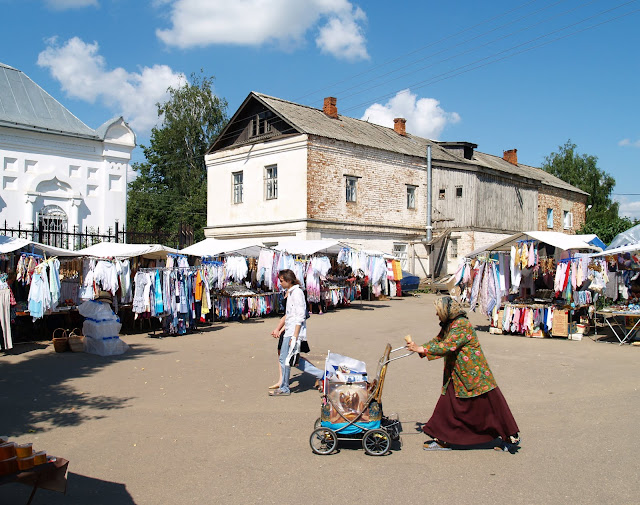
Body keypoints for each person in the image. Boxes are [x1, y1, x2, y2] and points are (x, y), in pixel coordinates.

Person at [406, 296, 520, 452]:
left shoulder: (461, 325)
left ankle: (509, 437)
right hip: (458, 374)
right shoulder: (450, 324)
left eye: (438, 312)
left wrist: (422, 350)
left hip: (474, 374)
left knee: (490, 406)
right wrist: (419, 347)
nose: (437, 315)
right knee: (449, 405)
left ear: (447, 311)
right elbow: (439, 340)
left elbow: (447, 346)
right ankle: (443, 439)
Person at [269, 269, 324, 397]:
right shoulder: (291, 292)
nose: (280, 283)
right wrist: (281, 329)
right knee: (291, 359)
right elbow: (289, 315)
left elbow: (300, 315)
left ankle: (285, 387)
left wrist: (295, 335)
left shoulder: (297, 293)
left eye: (282, 281)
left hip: (294, 332)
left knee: (288, 359)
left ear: (288, 280)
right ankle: (322, 375)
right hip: (290, 330)